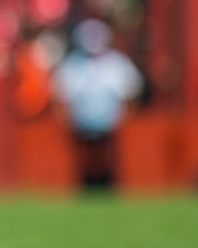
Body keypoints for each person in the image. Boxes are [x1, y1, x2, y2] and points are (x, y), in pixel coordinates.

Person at [52, 19, 141, 188]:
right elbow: (61, 98)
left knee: (107, 160)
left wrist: (122, 119)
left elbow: (131, 95)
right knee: (84, 162)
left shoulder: (117, 64)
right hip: (81, 125)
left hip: (109, 125)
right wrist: (66, 121)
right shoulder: (72, 65)